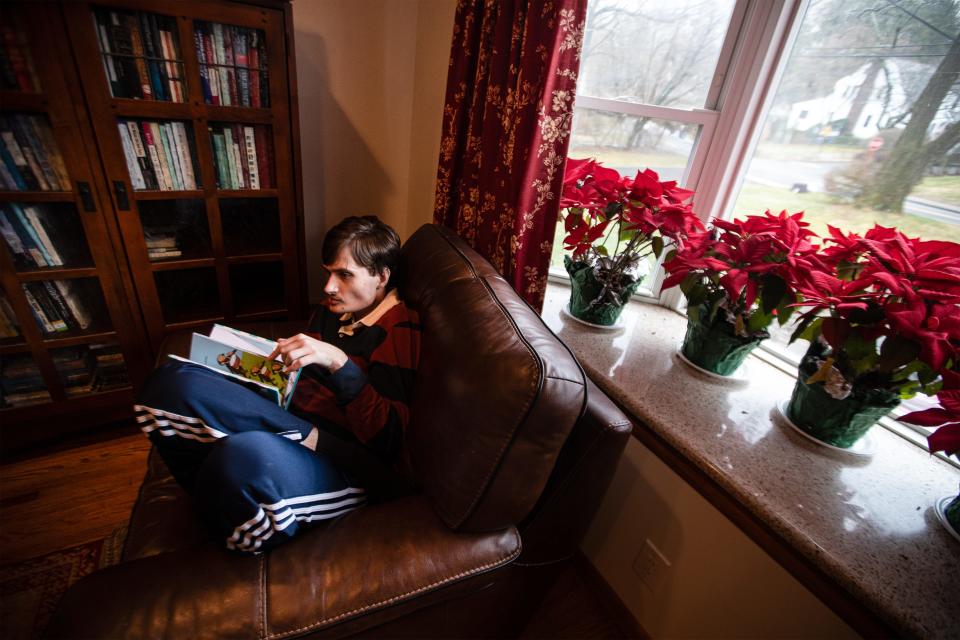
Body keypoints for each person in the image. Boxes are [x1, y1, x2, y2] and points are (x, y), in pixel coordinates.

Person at [134, 216, 420, 554]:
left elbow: (388, 439)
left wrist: (339, 363)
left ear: (382, 277)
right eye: (328, 272)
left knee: (243, 458)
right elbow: (301, 378)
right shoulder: (335, 310)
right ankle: (218, 494)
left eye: (344, 275)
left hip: (350, 464)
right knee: (171, 384)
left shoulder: (399, 329)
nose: (329, 286)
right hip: (295, 423)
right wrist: (258, 370)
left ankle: (231, 507)